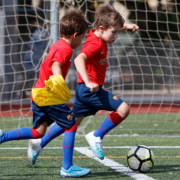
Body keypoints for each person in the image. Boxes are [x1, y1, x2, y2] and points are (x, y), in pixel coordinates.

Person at [27, 3, 139, 164]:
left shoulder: (98, 34)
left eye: (116, 32)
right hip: (89, 90)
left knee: (71, 122)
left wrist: (125, 26)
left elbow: (109, 29)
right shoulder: (95, 44)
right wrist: (88, 81)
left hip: (84, 91)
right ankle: (97, 135)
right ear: (101, 29)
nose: (116, 35)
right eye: (114, 32)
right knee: (123, 109)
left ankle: (39, 143)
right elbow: (79, 58)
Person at [0, 10, 90, 178]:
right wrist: (58, 82)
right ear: (75, 35)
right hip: (49, 96)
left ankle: (2, 136)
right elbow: (56, 65)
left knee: (38, 132)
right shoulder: (66, 50)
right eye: (82, 37)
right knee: (70, 125)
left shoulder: (57, 44)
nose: (82, 40)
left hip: (39, 94)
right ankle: (67, 167)